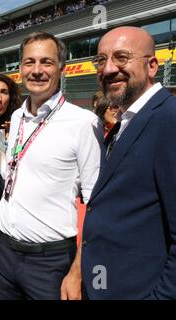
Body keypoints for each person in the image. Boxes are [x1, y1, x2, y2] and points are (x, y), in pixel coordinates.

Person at [0, 31, 103, 300]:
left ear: (61, 67)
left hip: (49, 262)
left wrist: (78, 269)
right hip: (1, 249)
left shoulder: (83, 123)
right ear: (20, 68)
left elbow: (97, 202)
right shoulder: (16, 116)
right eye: (29, 62)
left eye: (46, 62)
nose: (36, 70)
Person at [82, 26, 176, 299]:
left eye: (121, 58)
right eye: (101, 60)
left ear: (152, 66)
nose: (109, 69)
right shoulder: (129, 120)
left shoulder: (169, 120)